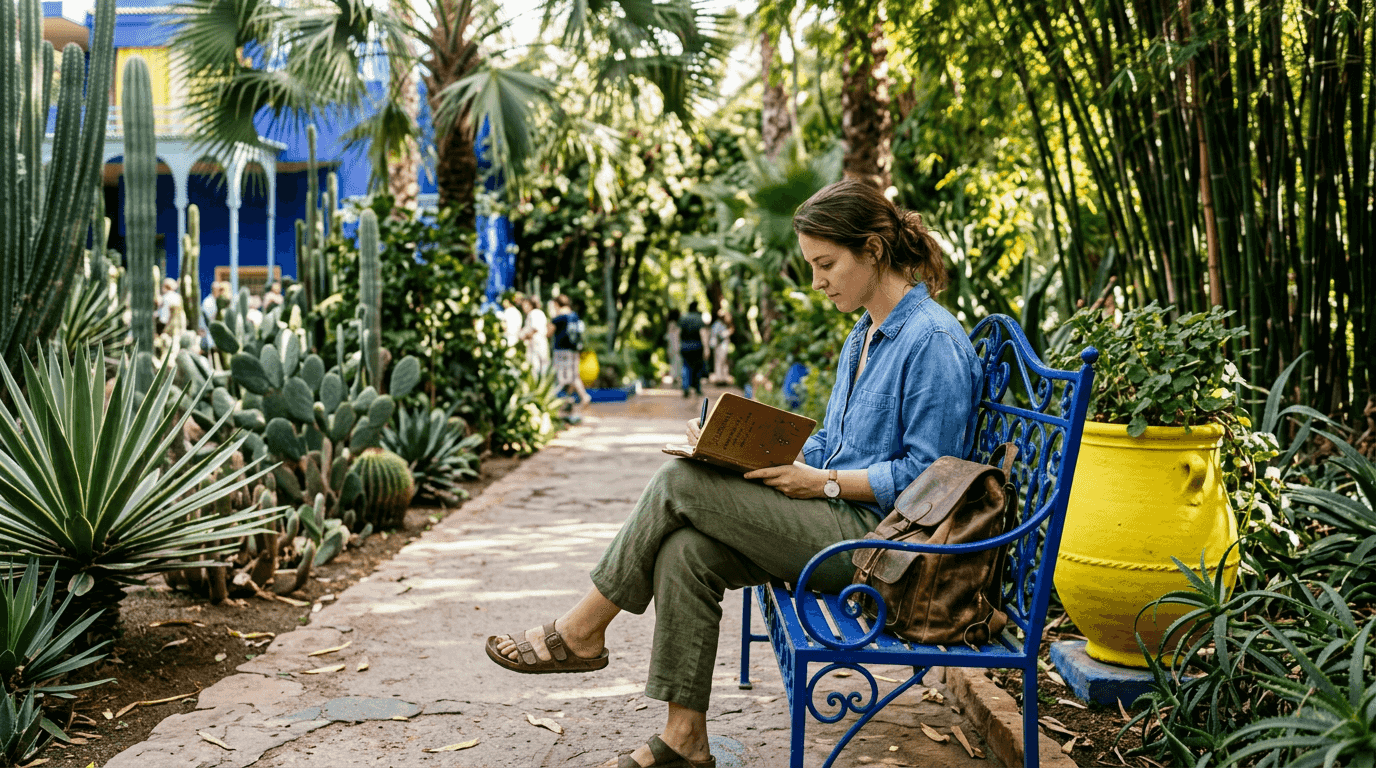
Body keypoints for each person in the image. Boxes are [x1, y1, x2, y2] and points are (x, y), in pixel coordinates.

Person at [485, 178, 983, 768]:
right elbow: (834, 441)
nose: (818, 282)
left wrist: (820, 483)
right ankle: (684, 740)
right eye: (812, 266)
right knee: (686, 551)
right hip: (836, 522)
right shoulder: (865, 334)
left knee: (677, 484)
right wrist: (751, 451)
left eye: (827, 265)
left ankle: (581, 632)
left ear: (873, 250)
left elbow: (932, 480)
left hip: (883, 547)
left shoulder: (933, 341)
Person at [549, 294, 591, 406]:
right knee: (573, 375)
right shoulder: (574, 315)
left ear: (557, 304)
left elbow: (549, 333)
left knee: (560, 376)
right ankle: (582, 396)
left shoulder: (559, 317)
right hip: (574, 349)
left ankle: (561, 401)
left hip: (561, 350)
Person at [678, 302, 708, 397]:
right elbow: (703, 332)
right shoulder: (698, 318)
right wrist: (706, 348)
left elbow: (678, 332)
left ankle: (685, 387)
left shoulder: (683, 318)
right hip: (697, 346)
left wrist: (679, 345)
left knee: (686, 366)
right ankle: (697, 388)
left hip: (685, 346)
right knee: (697, 368)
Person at [519, 294, 550, 374]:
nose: (523, 307)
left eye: (525, 305)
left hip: (536, 343)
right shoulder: (539, 313)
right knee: (543, 365)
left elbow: (534, 329)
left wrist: (523, 336)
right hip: (540, 342)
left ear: (530, 305)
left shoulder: (533, 313)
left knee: (535, 367)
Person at [708, 312, 731, 385]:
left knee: (722, 362)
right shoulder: (718, 324)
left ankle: (722, 379)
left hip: (721, 346)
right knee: (719, 362)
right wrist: (729, 332)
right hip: (719, 346)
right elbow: (720, 335)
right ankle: (719, 379)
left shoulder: (720, 324)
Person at [665, 309, 682, 389]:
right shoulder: (676, 324)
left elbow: (668, 337)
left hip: (673, 346)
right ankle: (677, 380)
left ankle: (676, 380)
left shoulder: (670, 324)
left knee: (674, 364)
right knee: (677, 364)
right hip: (677, 346)